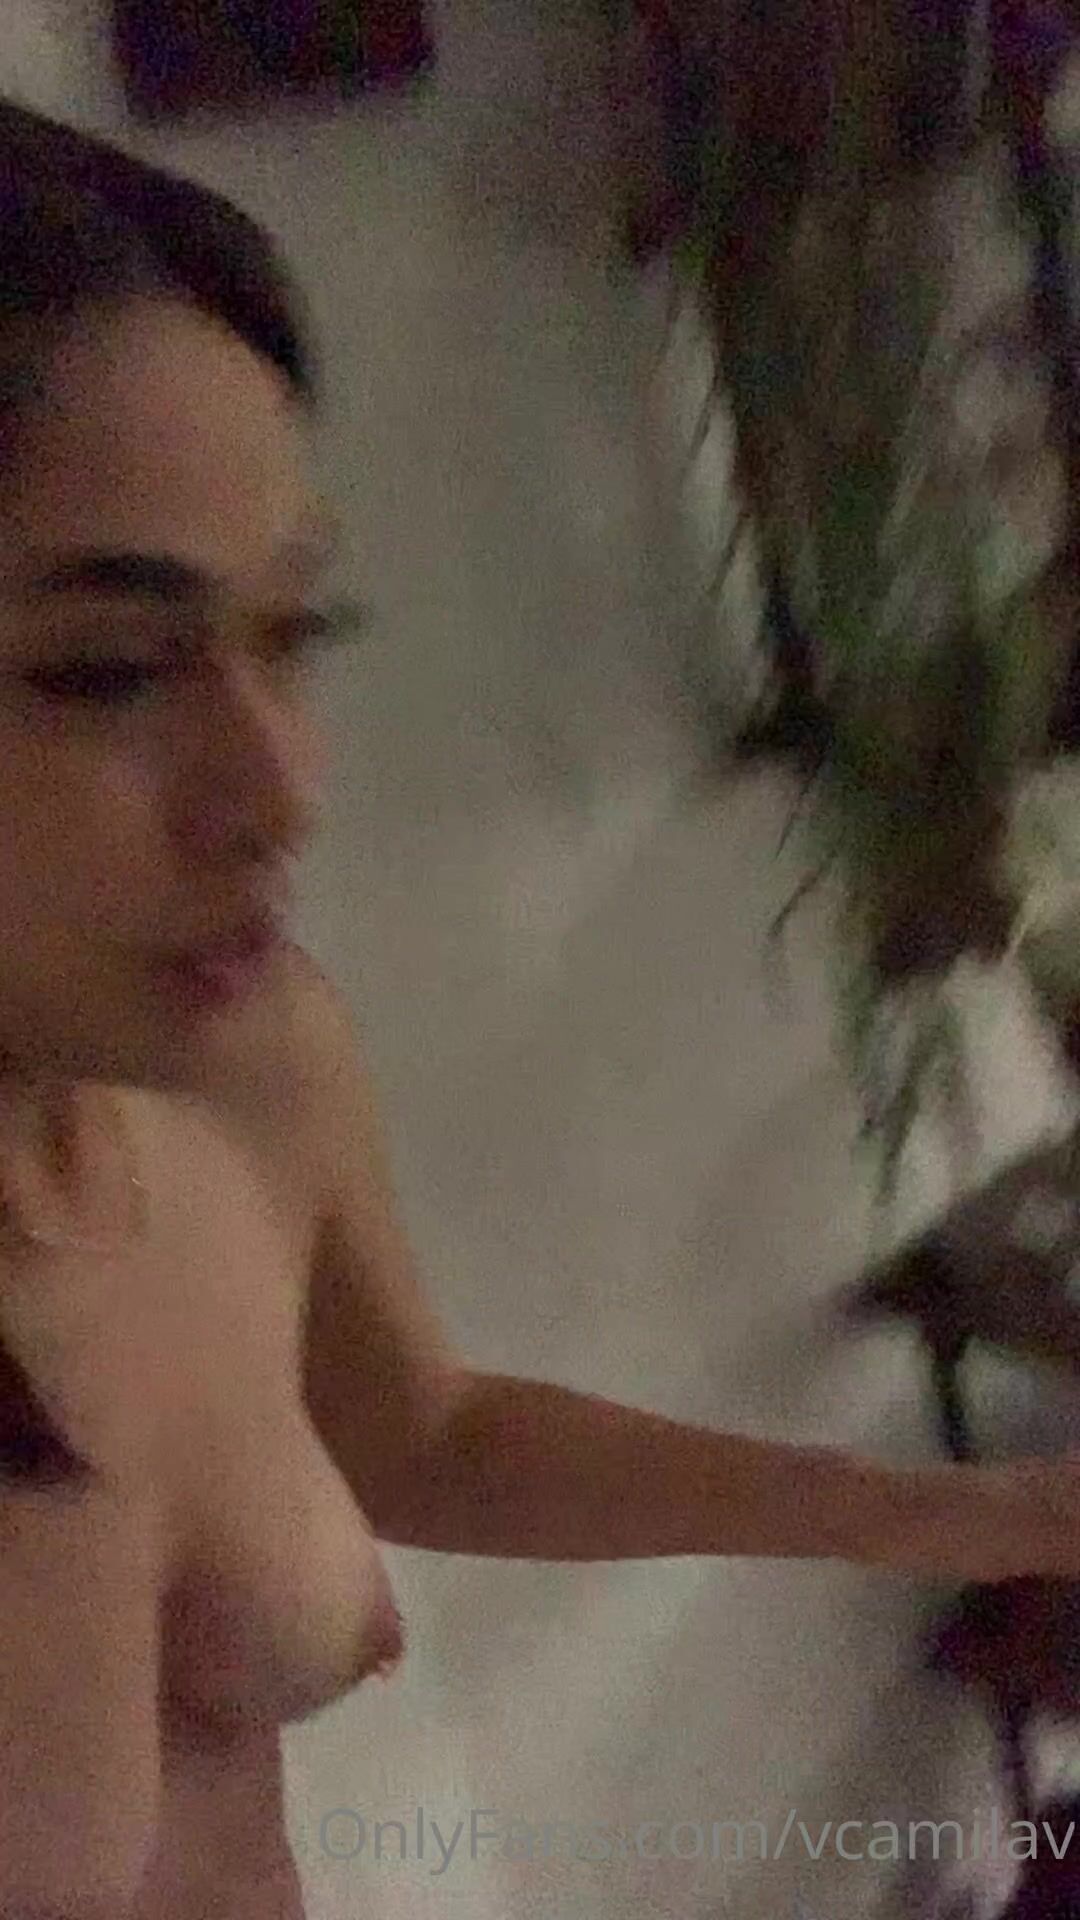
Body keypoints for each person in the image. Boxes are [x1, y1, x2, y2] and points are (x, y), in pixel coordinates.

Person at [0, 158, 1077, 1920]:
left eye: (294, 633)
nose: (282, 787)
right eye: (107, 668)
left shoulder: (237, 1067)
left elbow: (422, 1435)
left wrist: (957, 1515)